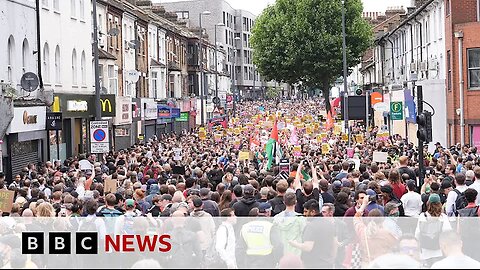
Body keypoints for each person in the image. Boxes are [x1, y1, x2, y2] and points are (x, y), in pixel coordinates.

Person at [289, 200, 337, 268]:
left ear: (313, 212)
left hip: (312, 264)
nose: (304, 214)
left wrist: (294, 244)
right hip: (328, 263)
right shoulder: (330, 224)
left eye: (306, 211)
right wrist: (332, 259)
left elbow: (308, 247)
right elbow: (335, 243)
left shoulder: (311, 226)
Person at [415, 193, 452, 268]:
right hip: (438, 250)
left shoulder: (422, 216)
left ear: (428, 203)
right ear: (439, 204)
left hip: (425, 249)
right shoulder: (443, 217)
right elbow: (448, 232)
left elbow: (417, 233)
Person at [273, 192, 306, 256]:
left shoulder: (276, 218)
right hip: (296, 253)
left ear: (284, 202)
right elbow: (304, 236)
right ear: (295, 202)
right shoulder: (301, 219)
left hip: (280, 254)